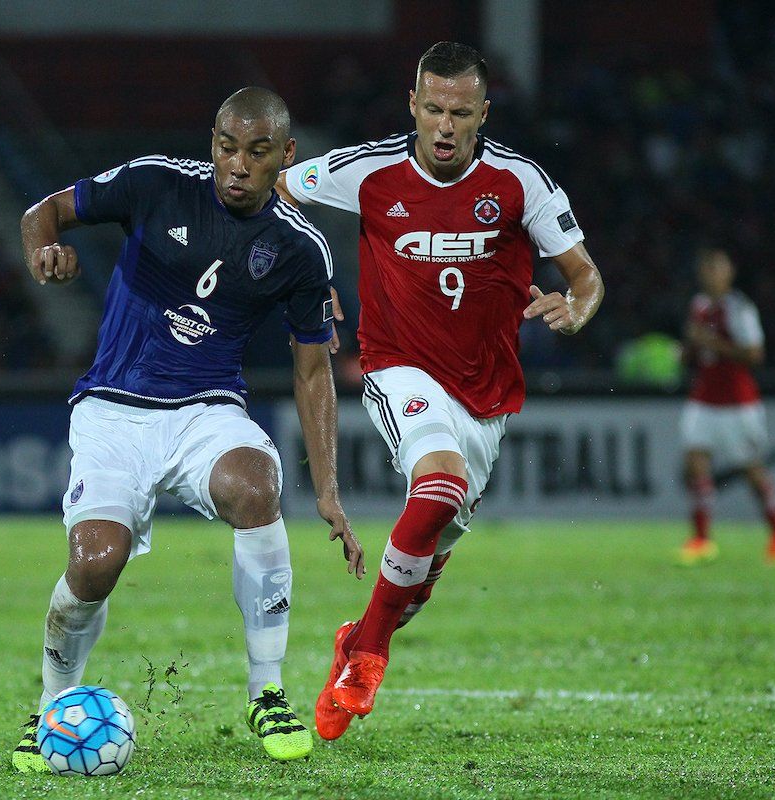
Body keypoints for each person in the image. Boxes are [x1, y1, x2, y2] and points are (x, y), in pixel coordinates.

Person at [12, 87, 363, 771]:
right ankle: (52, 705)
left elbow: (313, 371)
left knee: (255, 486)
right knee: (96, 561)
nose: (238, 165)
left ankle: (268, 692)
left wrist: (328, 491)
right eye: (227, 147)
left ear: (286, 156)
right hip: (112, 408)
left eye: (257, 153)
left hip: (206, 409)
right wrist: (43, 249)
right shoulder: (156, 184)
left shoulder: (299, 248)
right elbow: (42, 212)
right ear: (213, 143)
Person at [276, 42, 604, 739]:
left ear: (483, 114)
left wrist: (577, 309)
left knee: (421, 572)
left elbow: (585, 277)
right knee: (439, 488)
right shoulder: (368, 170)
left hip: (486, 392)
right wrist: (309, 279)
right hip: (398, 366)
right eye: (433, 110)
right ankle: (367, 658)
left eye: (460, 113)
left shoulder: (520, 183)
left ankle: (357, 636)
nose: (445, 126)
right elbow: (280, 192)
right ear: (413, 106)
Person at [677, 247, 775, 566]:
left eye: (717, 268)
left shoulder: (739, 308)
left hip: (738, 403)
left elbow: (755, 355)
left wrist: (710, 343)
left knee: (751, 470)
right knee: (695, 463)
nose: (711, 274)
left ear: (729, 273)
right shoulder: (699, 305)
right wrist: (685, 352)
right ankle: (701, 539)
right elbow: (696, 353)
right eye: (707, 268)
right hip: (703, 398)